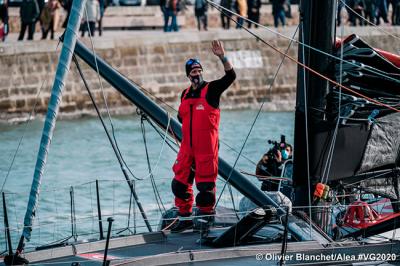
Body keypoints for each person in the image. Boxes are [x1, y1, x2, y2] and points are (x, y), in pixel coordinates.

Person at [170, 40, 236, 233]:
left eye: (199, 70)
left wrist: (222, 57)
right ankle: (185, 218)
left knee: (205, 189)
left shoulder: (212, 89)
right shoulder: (184, 94)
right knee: (179, 185)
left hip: (206, 148)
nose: (196, 74)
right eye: (193, 71)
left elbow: (231, 76)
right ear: (188, 75)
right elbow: (181, 117)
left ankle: (206, 220)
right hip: (187, 148)